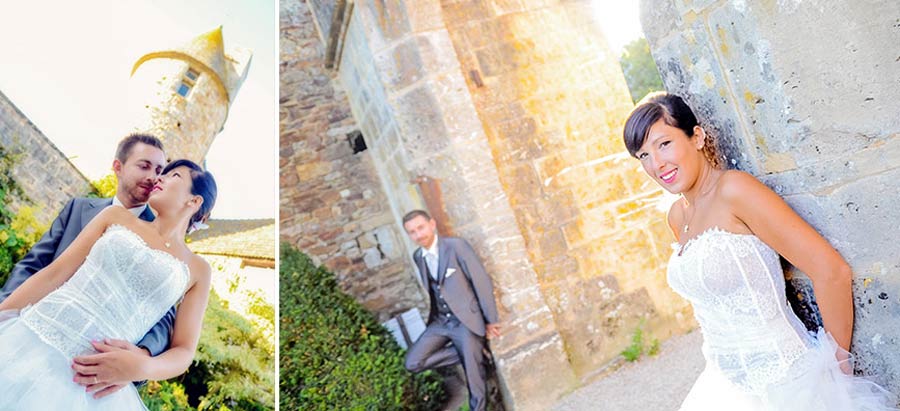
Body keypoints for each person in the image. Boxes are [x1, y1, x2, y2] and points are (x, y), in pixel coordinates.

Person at [623, 93, 897, 410]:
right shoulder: (677, 216)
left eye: (664, 144)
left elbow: (830, 270)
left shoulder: (734, 190)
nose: (656, 164)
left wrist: (837, 369)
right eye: (643, 155)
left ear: (696, 137)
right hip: (723, 384)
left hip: (785, 383)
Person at [0, 159, 216, 410]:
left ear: (194, 201)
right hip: (37, 334)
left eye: (174, 176)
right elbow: (54, 274)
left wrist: (142, 367)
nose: (160, 178)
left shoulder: (198, 269)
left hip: (92, 379)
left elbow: (184, 350)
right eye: (163, 174)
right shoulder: (115, 217)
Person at [401, 210, 500, 411]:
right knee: (413, 362)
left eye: (420, 227)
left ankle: (472, 356)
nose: (418, 235)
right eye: (412, 232)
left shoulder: (456, 247)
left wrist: (491, 320)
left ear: (432, 224)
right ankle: (472, 353)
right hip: (441, 322)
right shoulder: (418, 256)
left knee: (475, 384)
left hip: (466, 321)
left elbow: (481, 282)